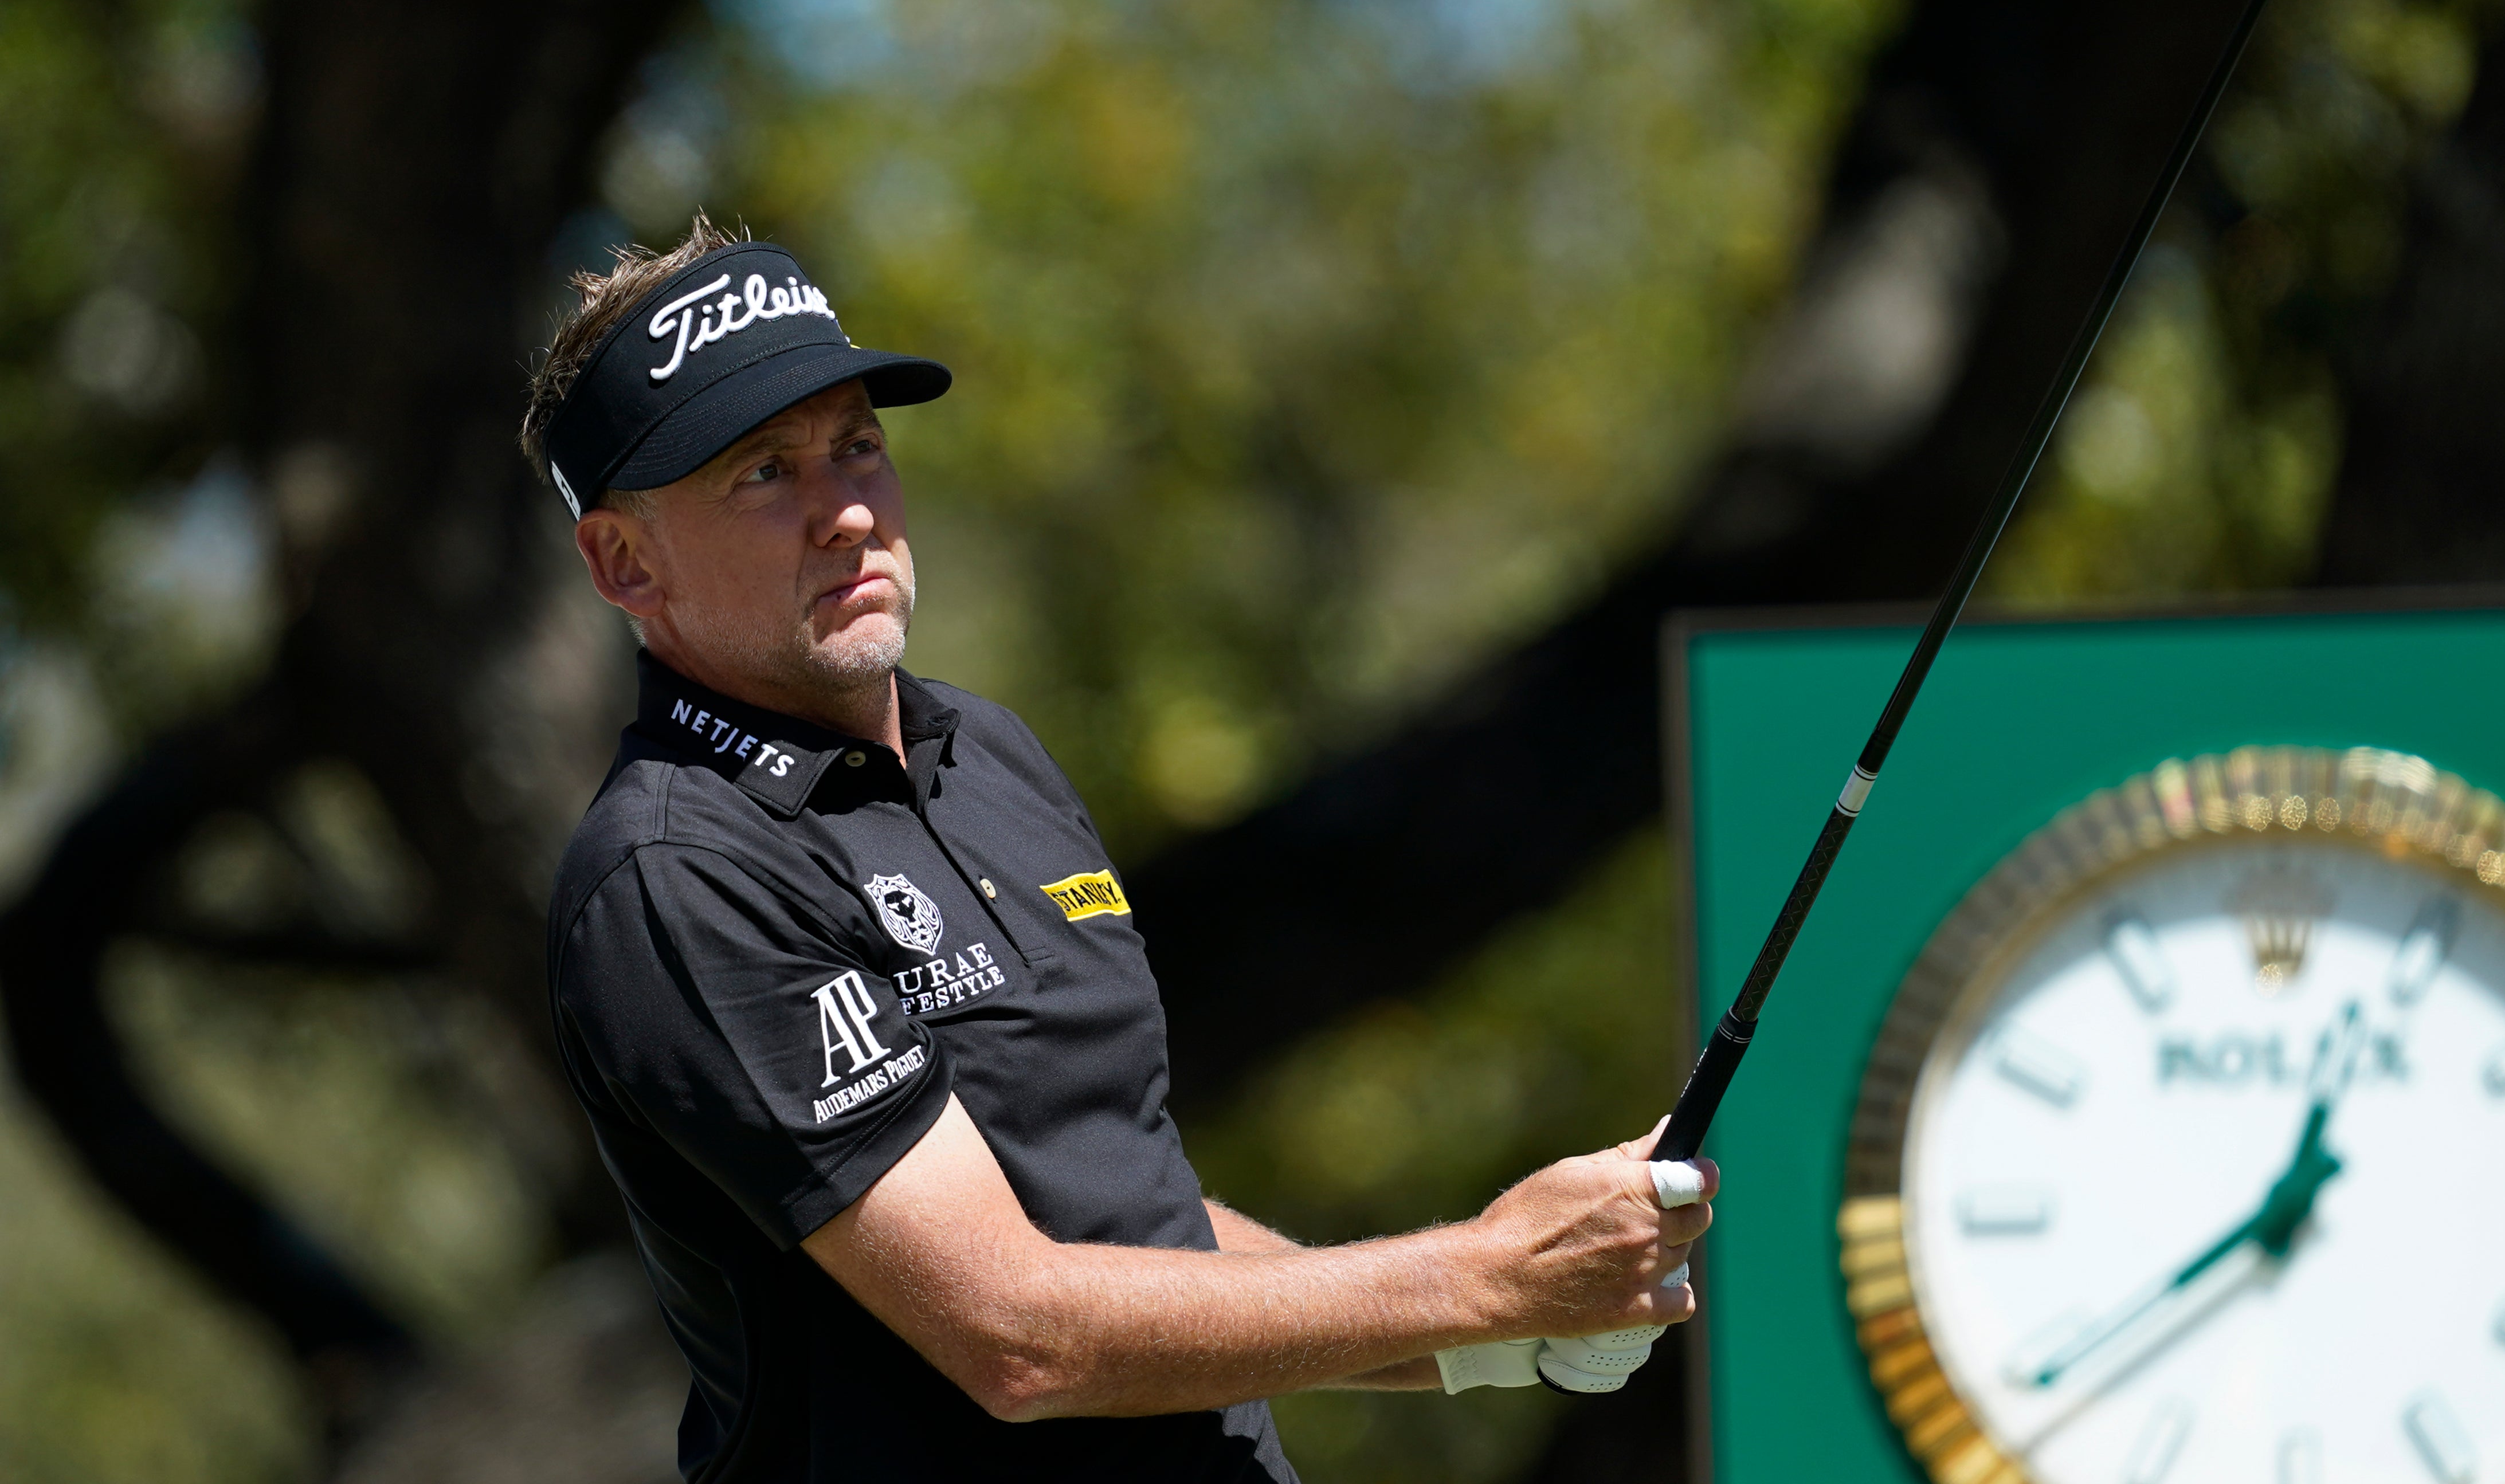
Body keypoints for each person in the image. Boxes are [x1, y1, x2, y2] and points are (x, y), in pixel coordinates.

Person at [522, 218, 1718, 1483]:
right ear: (622, 561)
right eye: (763, 472)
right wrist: (1488, 1274)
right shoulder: (677, 871)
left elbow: (1130, 1211)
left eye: (857, 444)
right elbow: (1017, 1333)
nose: (845, 511)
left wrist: (1500, 1331)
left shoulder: (986, 749)